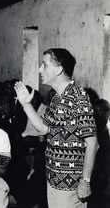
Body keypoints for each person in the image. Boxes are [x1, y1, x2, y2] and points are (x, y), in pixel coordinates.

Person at [14, 48, 97, 208]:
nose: (40, 69)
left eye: (44, 65)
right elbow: (44, 129)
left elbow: (92, 143)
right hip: (53, 180)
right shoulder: (57, 98)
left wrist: (85, 181)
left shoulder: (78, 97)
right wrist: (26, 103)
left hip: (70, 185)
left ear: (58, 70)